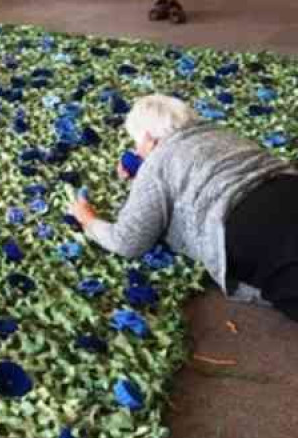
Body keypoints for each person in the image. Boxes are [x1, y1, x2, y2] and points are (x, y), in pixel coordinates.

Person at [68, 94, 298, 320]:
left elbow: (128, 241)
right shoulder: (220, 133)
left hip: (253, 228)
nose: (136, 150)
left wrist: (88, 220)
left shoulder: (158, 162)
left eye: (136, 143)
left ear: (148, 138)